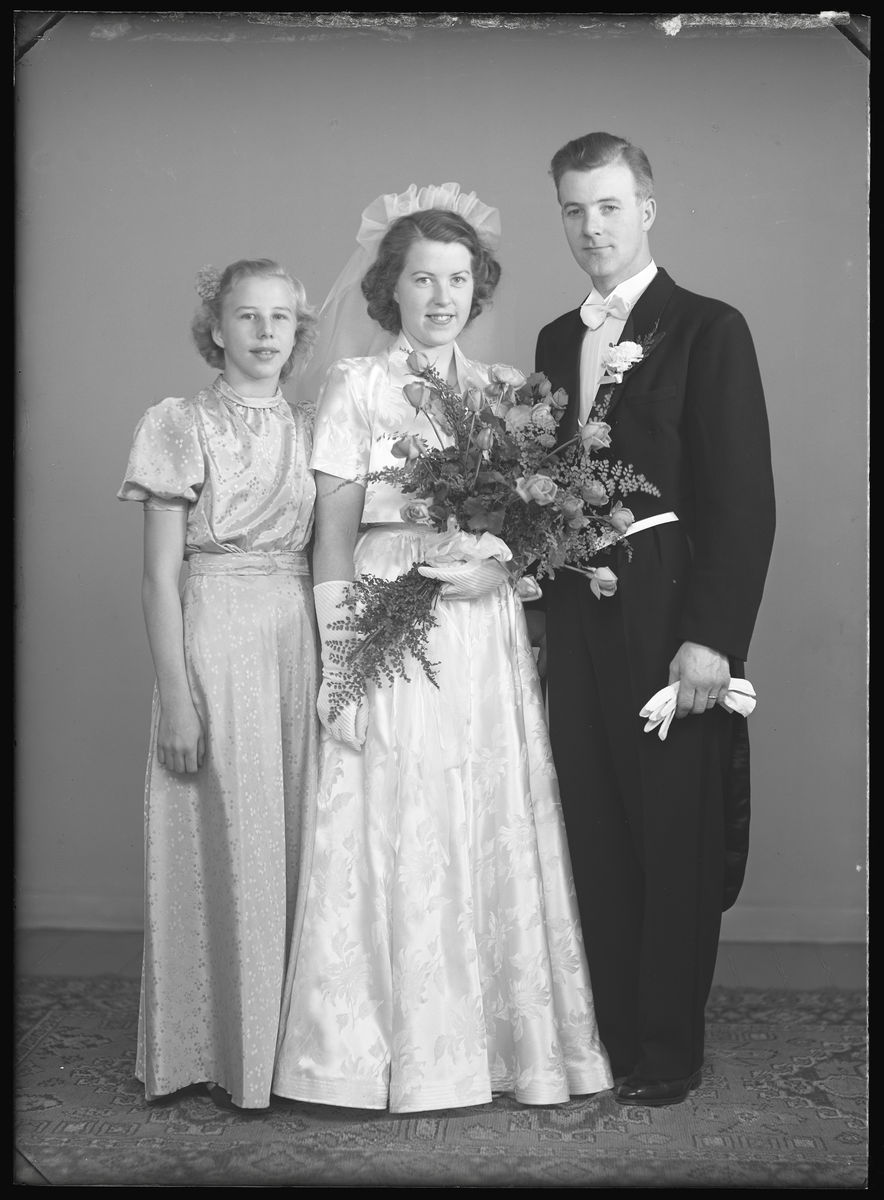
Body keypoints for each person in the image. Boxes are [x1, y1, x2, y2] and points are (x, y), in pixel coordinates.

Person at [272, 186, 612, 1114]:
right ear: (391, 287)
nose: (441, 297)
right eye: (423, 279)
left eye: (458, 279)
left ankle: (501, 1049)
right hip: (391, 607)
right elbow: (332, 534)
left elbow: (533, 527)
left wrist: (499, 567)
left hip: (481, 622)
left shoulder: (504, 392)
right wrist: (344, 660)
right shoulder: (357, 385)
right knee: (399, 812)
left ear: (478, 286)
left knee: (486, 810)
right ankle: (386, 1054)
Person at [533, 133, 776, 1106]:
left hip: (671, 611)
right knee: (594, 823)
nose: (591, 227)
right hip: (576, 610)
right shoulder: (556, 338)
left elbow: (742, 501)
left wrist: (713, 638)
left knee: (673, 832)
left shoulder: (710, 328)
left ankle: (669, 1052)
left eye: (608, 206)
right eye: (573, 209)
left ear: (646, 209)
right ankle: (616, 1039)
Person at [118, 259, 320, 1111]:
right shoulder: (179, 423)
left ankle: (290, 1055)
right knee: (224, 839)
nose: (266, 332)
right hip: (215, 638)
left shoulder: (314, 427)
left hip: (298, 640)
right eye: (247, 316)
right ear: (216, 328)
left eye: (281, 318)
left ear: (298, 332)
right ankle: (212, 1051)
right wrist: (176, 696)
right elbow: (159, 578)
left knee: (296, 835)